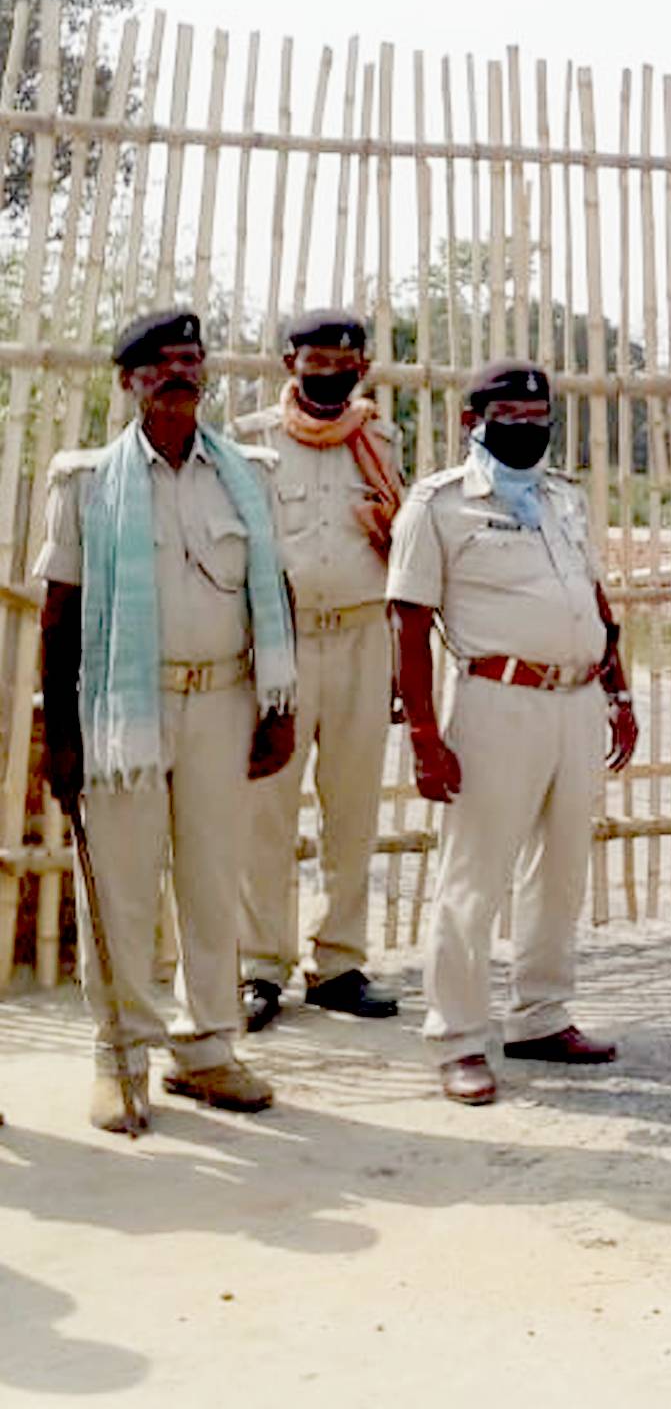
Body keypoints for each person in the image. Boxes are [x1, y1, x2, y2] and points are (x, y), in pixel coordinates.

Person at [37, 308, 297, 1132]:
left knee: (215, 881)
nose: (179, 375)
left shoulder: (247, 475)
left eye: (191, 361)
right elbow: (59, 612)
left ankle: (209, 1051)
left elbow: (275, 593)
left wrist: (275, 705)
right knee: (119, 886)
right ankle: (120, 1058)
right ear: (129, 382)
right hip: (125, 711)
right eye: (160, 365)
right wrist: (64, 731)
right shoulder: (86, 481)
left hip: (223, 701)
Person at [387, 361, 638, 1106]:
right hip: (498, 699)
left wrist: (618, 688)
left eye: (537, 415)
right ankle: (459, 1036)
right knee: (475, 874)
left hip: (576, 698)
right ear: (475, 420)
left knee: (561, 866)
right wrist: (424, 731)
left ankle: (540, 1015)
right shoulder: (438, 505)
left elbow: (592, 595)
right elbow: (407, 619)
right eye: (509, 414)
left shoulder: (563, 498)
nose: (526, 426)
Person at [232, 309, 406, 1029]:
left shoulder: (380, 440)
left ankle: (338, 962)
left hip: (365, 635)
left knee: (354, 807)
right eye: (316, 359)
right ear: (287, 363)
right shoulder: (250, 444)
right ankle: (258, 966)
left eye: (344, 361)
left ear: (362, 366)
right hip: (283, 642)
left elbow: (402, 542)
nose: (330, 371)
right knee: (264, 810)